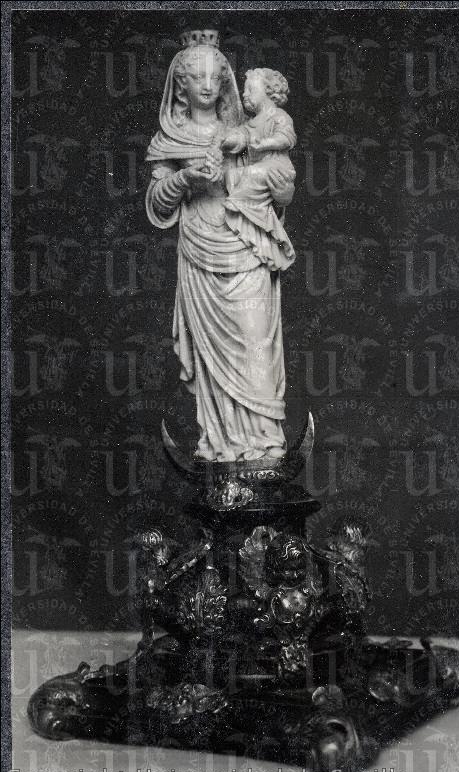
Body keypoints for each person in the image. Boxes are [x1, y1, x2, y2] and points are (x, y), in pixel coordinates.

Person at [145, 33, 295, 462]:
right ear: (181, 85)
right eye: (198, 77)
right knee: (214, 366)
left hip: (246, 246)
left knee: (255, 341)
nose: (209, 85)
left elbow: (280, 190)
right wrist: (185, 178)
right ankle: (223, 448)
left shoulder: (245, 131)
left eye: (216, 76)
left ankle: (266, 442)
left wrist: (270, 182)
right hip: (199, 249)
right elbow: (157, 203)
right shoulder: (170, 138)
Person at [221, 68, 296, 272]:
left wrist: (265, 143)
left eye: (250, 90)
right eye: (244, 91)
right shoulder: (250, 124)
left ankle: (238, 204)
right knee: (232, 175)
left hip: (276, 168)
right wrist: (226, 140)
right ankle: (247, 208)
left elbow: (287, 137)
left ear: (270, 92)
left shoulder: (278, 116)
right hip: (258, 171)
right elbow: (240, 137)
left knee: (252, 174)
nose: (244, 94)